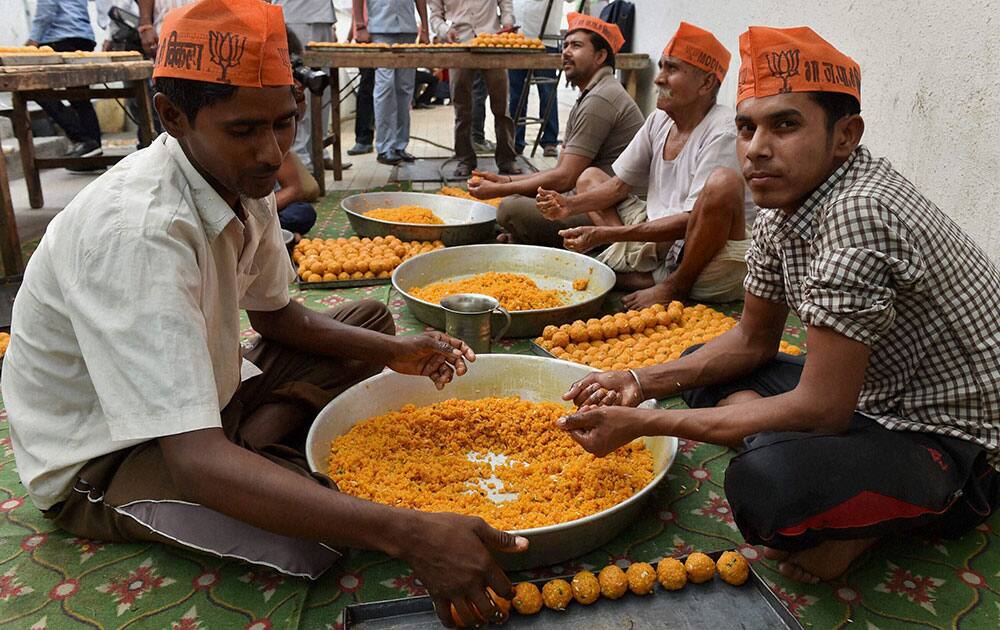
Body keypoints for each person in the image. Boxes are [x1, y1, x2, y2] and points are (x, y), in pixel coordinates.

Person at [1, 3, 526, 628]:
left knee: (368, 324)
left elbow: (276, 319)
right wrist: (410, 535)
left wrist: (394, 356)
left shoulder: (239, 179)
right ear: (172, 117)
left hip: (206, 401)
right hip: (111, 451)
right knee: (317, 534)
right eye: (245, 130)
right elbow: (191, 457)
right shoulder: (137, 232)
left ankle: (251, 450)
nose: (273, 154)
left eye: (285, 124)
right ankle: (251, 460)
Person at [556, 25, 1000, 585]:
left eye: (785, 125)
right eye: (746, 128)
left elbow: (823, 409)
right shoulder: (781, 207)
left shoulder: (858, 213)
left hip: (950, 436)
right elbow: (751, 340)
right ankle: (795, 449)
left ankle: (887, 516)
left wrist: (644, 420)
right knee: (698, 365)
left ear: (845, 136)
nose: (757, 148)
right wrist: (638, 378)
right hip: (871, 392)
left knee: (766, 485)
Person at [536, 22, 754, 309]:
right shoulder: (658, 120)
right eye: (661, 67)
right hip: (658, 232)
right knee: (589, 178)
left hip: (707, 249)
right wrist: (569, 205)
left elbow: (689, 222)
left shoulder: (722, 130)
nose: (659, 79)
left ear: (706, 84)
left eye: (672, 69)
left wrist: (608, 234)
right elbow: (617, 186)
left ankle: (672, 285)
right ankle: (641, 268)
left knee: (723, 184)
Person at [469, 13, 643, 246]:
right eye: (566, 45)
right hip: (589, 199)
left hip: (613, 210)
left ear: (601, 56)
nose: (566, 52)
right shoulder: (593, 92)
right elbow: (561, 172)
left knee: (510, 209)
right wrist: (505, 181)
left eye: (577, 46)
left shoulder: (601, 98)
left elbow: (564, 178)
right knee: (518, 197)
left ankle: (601, 246)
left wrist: (499, 190)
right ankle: (529, 236)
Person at [428, 0, 520, 177]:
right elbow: (435, 16)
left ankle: (507, 158)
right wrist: (445, 31)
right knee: (462, 108)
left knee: (501, 106)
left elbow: (505, 4)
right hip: (459, 44)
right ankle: (465, 159)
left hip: (493, 43)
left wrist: (508, 21)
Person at [354, 0, 430, 166]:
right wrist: (360, 26)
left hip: (407, 28)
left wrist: (425, 28)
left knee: (405, 88)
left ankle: (399, 145)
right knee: (385, 87)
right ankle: (385, 146)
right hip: (381, 29)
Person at [26, 0, 103, 160]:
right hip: (83, 37)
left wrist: (33, 41)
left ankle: (82, 139)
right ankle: (93, 154)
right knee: (80, 97)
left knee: (36, 89)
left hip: (60, 39)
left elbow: (46, 10)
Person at [275, 0, 338, 172]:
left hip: (322, 16)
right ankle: (301, 159)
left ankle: (319, 150)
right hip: (297, 15)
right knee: (301, 86)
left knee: (321, 87)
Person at [508, 0, 568, 156]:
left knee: (547, 92)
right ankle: (515, 141)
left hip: (546, 40)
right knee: (516, 93)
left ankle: (549, 140)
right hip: (517, 40)